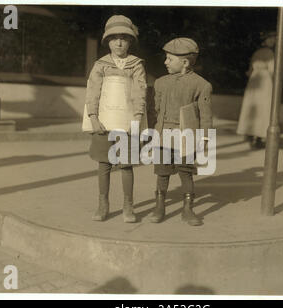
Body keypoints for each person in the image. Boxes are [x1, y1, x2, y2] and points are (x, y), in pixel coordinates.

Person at [85, 15, 147, 222]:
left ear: (130, 41)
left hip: (127, 123)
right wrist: (93, 117)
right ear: (107, 41)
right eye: (114, 38)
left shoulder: (136, 65)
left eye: (124, 38)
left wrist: (137, 117)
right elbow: (92, 92)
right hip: (105, 122)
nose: (119, 42)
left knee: (126, 164)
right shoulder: (100, 65)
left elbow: (140, 91)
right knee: (104, 164)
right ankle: (103, 204)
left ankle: (128, 206)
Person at [149, 38, 213, 226]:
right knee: (162, 172)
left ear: (184, 62)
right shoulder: (160, 83)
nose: (165, 62)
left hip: (186, 136)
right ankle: (159, 206)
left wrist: (204, 138)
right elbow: (157, 111)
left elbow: (206, 116)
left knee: (186, 172)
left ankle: (187, 208)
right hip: (163, 135)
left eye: (169, 59)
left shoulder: (202, 85)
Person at [237, 31, 276, 149]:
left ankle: (250, 134)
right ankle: (258, 137)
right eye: (272, 39)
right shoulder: (270, 53)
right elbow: (272, 70)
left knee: (252, 106)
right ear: (267, 41)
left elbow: (250, 70)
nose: (273, 41)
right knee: (263, 108)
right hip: (265, 81)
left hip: (254, 80)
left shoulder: (256, 53)